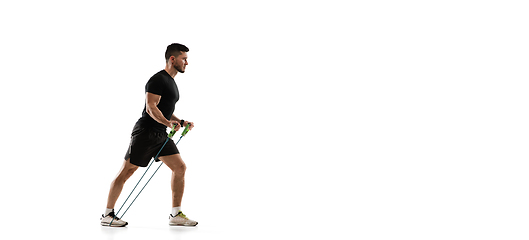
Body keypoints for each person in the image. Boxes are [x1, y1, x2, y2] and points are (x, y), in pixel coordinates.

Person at [100, 43, 197, 227]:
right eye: (184, 59)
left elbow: (164, 110)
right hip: (145, 132)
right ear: (172, 59)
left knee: (180, 167)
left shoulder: (172, 82)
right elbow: (150, 107)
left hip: (160, 133)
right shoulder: (157, 80)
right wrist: (168, 123)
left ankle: (175, 214)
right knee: (127, 171)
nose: (187, 62)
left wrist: (181, 122)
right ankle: (107, 214)